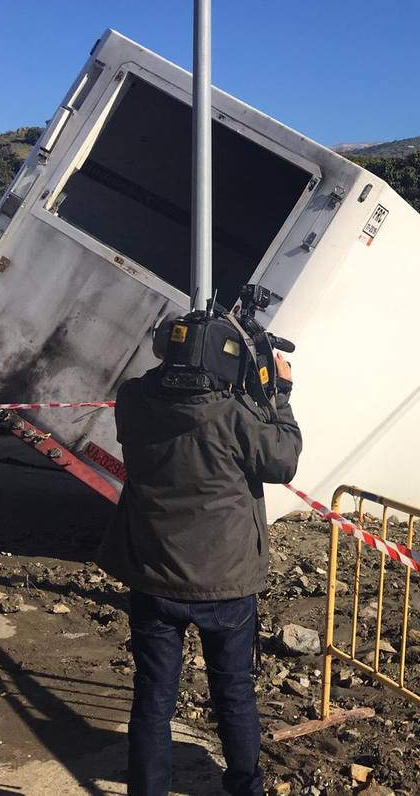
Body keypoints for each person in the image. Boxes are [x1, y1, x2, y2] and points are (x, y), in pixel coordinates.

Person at [98, 328, 302, 796]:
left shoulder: (133, 400)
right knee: (232, 696)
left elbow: (157, 382)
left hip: (152, 576)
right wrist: (278, 394)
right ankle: (245, 787)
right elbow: (284, 459)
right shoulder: (236, 416)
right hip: (225, 583)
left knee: (153, 698)